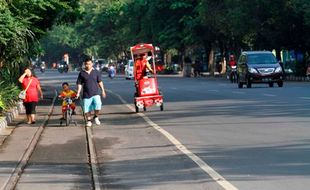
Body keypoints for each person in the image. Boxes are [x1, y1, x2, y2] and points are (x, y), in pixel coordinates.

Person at [76, 58, 106, 127]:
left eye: (89, 64)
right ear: (84, 64)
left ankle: (96, 116)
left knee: (98, 105)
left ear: (92, 64)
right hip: (86, 94)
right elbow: (79, 84)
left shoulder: (96, 72)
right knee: (86, 108)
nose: (88, 65)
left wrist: (103, 91)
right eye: (86, 64)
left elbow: (100, 82)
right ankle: (89, 120)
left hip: (96, 93)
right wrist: (78, 93)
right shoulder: (82, 73)